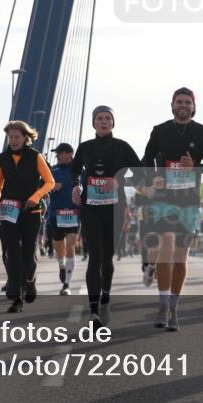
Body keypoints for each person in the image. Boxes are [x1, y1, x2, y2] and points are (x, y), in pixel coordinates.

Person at [140, 87, 203, 332]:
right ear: (172, 105)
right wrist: (152, 180)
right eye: (179, 101)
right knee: (168, 244)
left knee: (181, 255)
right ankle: (163, 304)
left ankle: (173, 307)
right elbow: (145, 161)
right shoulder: (160, 130)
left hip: (189, 201)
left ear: (193, 106)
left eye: (187, 102)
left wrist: (195, 166)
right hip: (163, 199)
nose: (183, 105)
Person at [70, 107, 142, 326]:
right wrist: (75, 187)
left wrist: (120, 181)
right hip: (90, 207)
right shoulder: (85, 147)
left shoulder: (122, 147)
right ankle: (93, 312)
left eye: (108, 118)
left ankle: (106, 298)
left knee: (107, 258)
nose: (104, 121)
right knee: (94, 257)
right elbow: (74, 171)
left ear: (113, 123)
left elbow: (140, 172)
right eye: (99, 118)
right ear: (94, 123)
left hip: (115, 208)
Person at [0, 120, 55, 313]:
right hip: (9, 210)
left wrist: (35, 197)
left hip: (31, 211)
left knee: (28, 253)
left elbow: (50, 182)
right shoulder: (1, 159)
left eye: (17, 137)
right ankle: (16, 295)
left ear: (26, 138)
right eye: (10, 137)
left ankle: (30, 281)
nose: (13, 140)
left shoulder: (35, 157)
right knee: (12, 252)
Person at [47, 143, 80, 295]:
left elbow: (87, 186)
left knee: (71, 246)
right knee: (59, 245)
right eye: (57, 153)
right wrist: (51, 187)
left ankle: (66, 284)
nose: (57, 155)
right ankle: (61, 265)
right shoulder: (52, 170)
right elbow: (41, 187)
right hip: (56, 213)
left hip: (74, 213)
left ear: (70, 154)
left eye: (60, 152)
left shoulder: (80, 170)